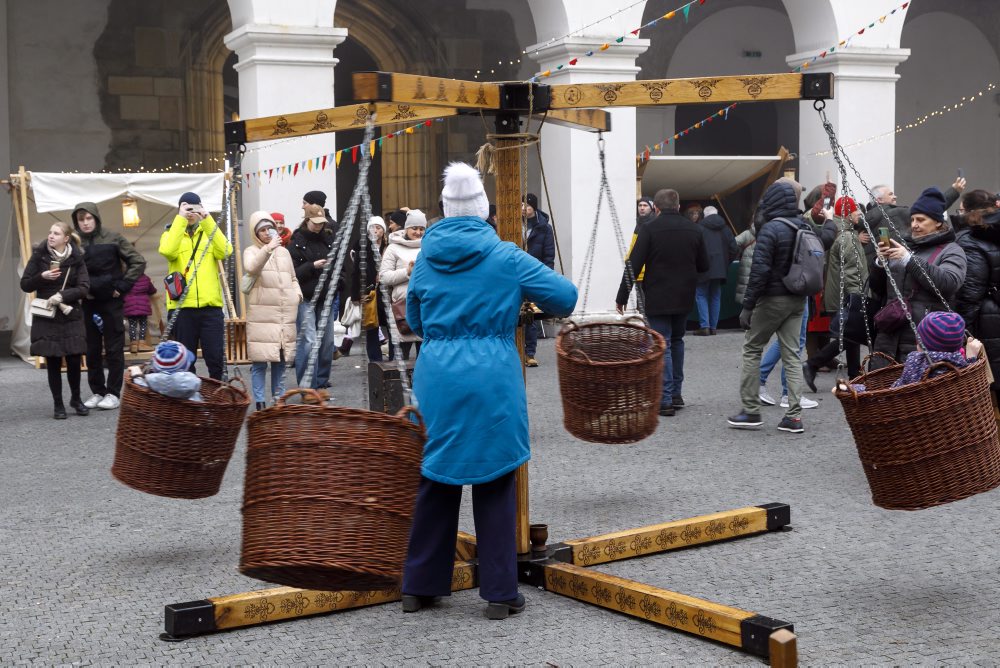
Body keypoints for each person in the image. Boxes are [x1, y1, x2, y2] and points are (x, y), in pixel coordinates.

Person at [401, 162, 577, 620]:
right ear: (484, 211)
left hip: (437, 372)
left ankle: (418, 585)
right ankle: (499, 594)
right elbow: (565, 296)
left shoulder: (424, 257)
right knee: (495, 477)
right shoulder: (505, 255)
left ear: (443, 212)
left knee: (435, 474)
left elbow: (415, 321)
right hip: (492, 372)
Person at [727, 180, 813, 434]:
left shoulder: (770, 229)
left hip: (773, 299)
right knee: (792, 354)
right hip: (798, 298)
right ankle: (794, 416)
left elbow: (760, 270)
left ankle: (751, 411)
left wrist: (747, 306)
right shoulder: (803, 225)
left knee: (752, 348)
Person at [616, 188, 709, 416]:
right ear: (678, 206)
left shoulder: (649, 229)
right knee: (677, 341)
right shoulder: (695, 230)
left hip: (658, 295)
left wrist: (622, 296)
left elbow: (633, 264)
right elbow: (704, 265)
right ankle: (676, 393)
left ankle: (664, 399)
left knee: (662, 342)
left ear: (656, 208)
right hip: (684, 295)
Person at [870, 187, 967, 368]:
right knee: (883, 392)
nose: (914, 224)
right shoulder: (904, 245)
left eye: (921, 220)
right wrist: (879, 263)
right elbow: (878, 289)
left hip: (925, 339)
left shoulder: (952, 250)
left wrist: (909, 260)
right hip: (889, 336)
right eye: (913, 219)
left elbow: (949, 283)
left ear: (938, 222)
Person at [71, 202, 146, 410]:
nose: (85, 223)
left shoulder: (113, 238)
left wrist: (123, 286)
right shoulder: (74, 243)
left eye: (89, 218)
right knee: (92, 348)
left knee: (114, 348)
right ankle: (97, 391)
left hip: (112, 301)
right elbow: (69, 270)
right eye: (81, 219)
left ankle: (113, 393)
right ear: (76, 222)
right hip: (88, 302)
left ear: (96, 218)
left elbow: (138, 261)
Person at [158, 192, 233, 380]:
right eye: (186, 207)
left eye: (194, 207)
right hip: (182, 308)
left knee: (216, 359)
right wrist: (180, 219)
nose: (191, 212)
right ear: (179, 209)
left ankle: (218, 400)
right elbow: (168, 251)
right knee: (184, 362)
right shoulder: (170, 233)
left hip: (210, 307)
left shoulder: (209, 233)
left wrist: (207, 219)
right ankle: (189, 403)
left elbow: (226, 251)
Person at [20, 221, 91, 419]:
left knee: (74, 358)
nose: (51, 236)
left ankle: (76, 399)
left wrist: (63, 296)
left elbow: (84, 287)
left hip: (70, 312)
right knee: (52, 360)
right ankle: (58, 404)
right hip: (47, 315)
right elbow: (25, 284)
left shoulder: (77, 258)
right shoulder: (39, 255)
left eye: (56, 233)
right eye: (50, 232)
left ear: (66, 238)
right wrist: (42, 276)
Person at [802, 196, 874, 386]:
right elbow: (852, 271)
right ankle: (813, 363)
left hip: (840, 293)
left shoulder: (838, 231)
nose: (859, 214)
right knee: (850, 334)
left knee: (850, 336)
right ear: (847, 214)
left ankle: (854, 375)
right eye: (855, 211)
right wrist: (859, 297)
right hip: (849, 294)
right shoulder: (848, 236)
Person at [243, 212, 302, 410]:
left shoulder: (284, 252)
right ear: (255, 233)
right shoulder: (251, 251)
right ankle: (260, 402)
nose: (267, 233)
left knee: (280, 359)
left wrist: (297, 295)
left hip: (285, 313)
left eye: (270, 228)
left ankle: (278, 400)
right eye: (262, 230)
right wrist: (268, 249)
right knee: (260, 360)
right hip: (262, 314)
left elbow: (293, 278)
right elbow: (251, 268)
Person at [848, 312, 979, 392]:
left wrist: (857, 390)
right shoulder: (960, 363)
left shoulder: (917, 364)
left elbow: (894, 392)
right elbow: (970, 377)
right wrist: (972, 356)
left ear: (923, 344)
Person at [288, 191, 340, 390]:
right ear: (307, 220)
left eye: (321, 222)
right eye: (315, 222)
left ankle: (321, 381)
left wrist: (338, 284)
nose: (319, 226)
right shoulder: (296, 242)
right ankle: (307, 386)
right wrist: (312, 266)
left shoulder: (329, 237)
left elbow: (339, 265)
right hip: (306, 297)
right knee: (308, 341)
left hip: (325, 296)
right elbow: (292, 273)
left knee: (327, 342)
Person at [952, 191, 1000, 388]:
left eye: (961, 210)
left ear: (970, 212)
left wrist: (962, 335)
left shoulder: (970, 240)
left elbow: (970, 294)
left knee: (986, 392)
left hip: (986, 322)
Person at [380, 209, 425, 360]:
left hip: (426, 305)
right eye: (414, 228)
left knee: (425, 356)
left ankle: (421, 384)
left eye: (421, 228)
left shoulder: (429, 246)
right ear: (406, 228)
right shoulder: (394, 247)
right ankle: (400, 383)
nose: (418, 232)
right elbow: (384, 277)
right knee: (400, 357)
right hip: (402, 307)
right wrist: (407, 272)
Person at [865, 178, 965, 239]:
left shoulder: (864, 221)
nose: (895, 197)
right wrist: (954, 191)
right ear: (879, 200)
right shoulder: (894, 213)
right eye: (890, 194)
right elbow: (928, 209)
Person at [522, 193, 555, 367]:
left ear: (534, 208)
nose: (525, 209)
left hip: (534, 274)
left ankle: (529, 352)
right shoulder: (515, 224)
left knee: (530, 314)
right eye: (522, 206)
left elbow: (549, 254)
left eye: (528, 207)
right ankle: (516, 351)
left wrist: (546, 276)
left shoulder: (544, 228)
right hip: (516, 273)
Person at [693, 205, 737, 335]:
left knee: (701, 295)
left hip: (702, 268)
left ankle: (705, 326)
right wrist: (725, 263)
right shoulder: (726, 229)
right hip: (719, 269)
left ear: (705, 216)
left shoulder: (699, 228)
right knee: (715, 296)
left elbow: (694, 249)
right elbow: (734, 249)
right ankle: (713, 327)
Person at [134, 340, 204, 401]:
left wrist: (135, 371)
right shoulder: (191, 385)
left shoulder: (147, 383)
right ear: (184, 367)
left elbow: (136, 377)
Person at [122, 272, 157, 354]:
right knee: (143, 324)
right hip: (143, 305)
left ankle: (133, 344)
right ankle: (142, 343)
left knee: (132, 325)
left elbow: (122, 290)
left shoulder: (126, 278)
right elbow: (152, 291)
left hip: (130, 304)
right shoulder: (146, 278)